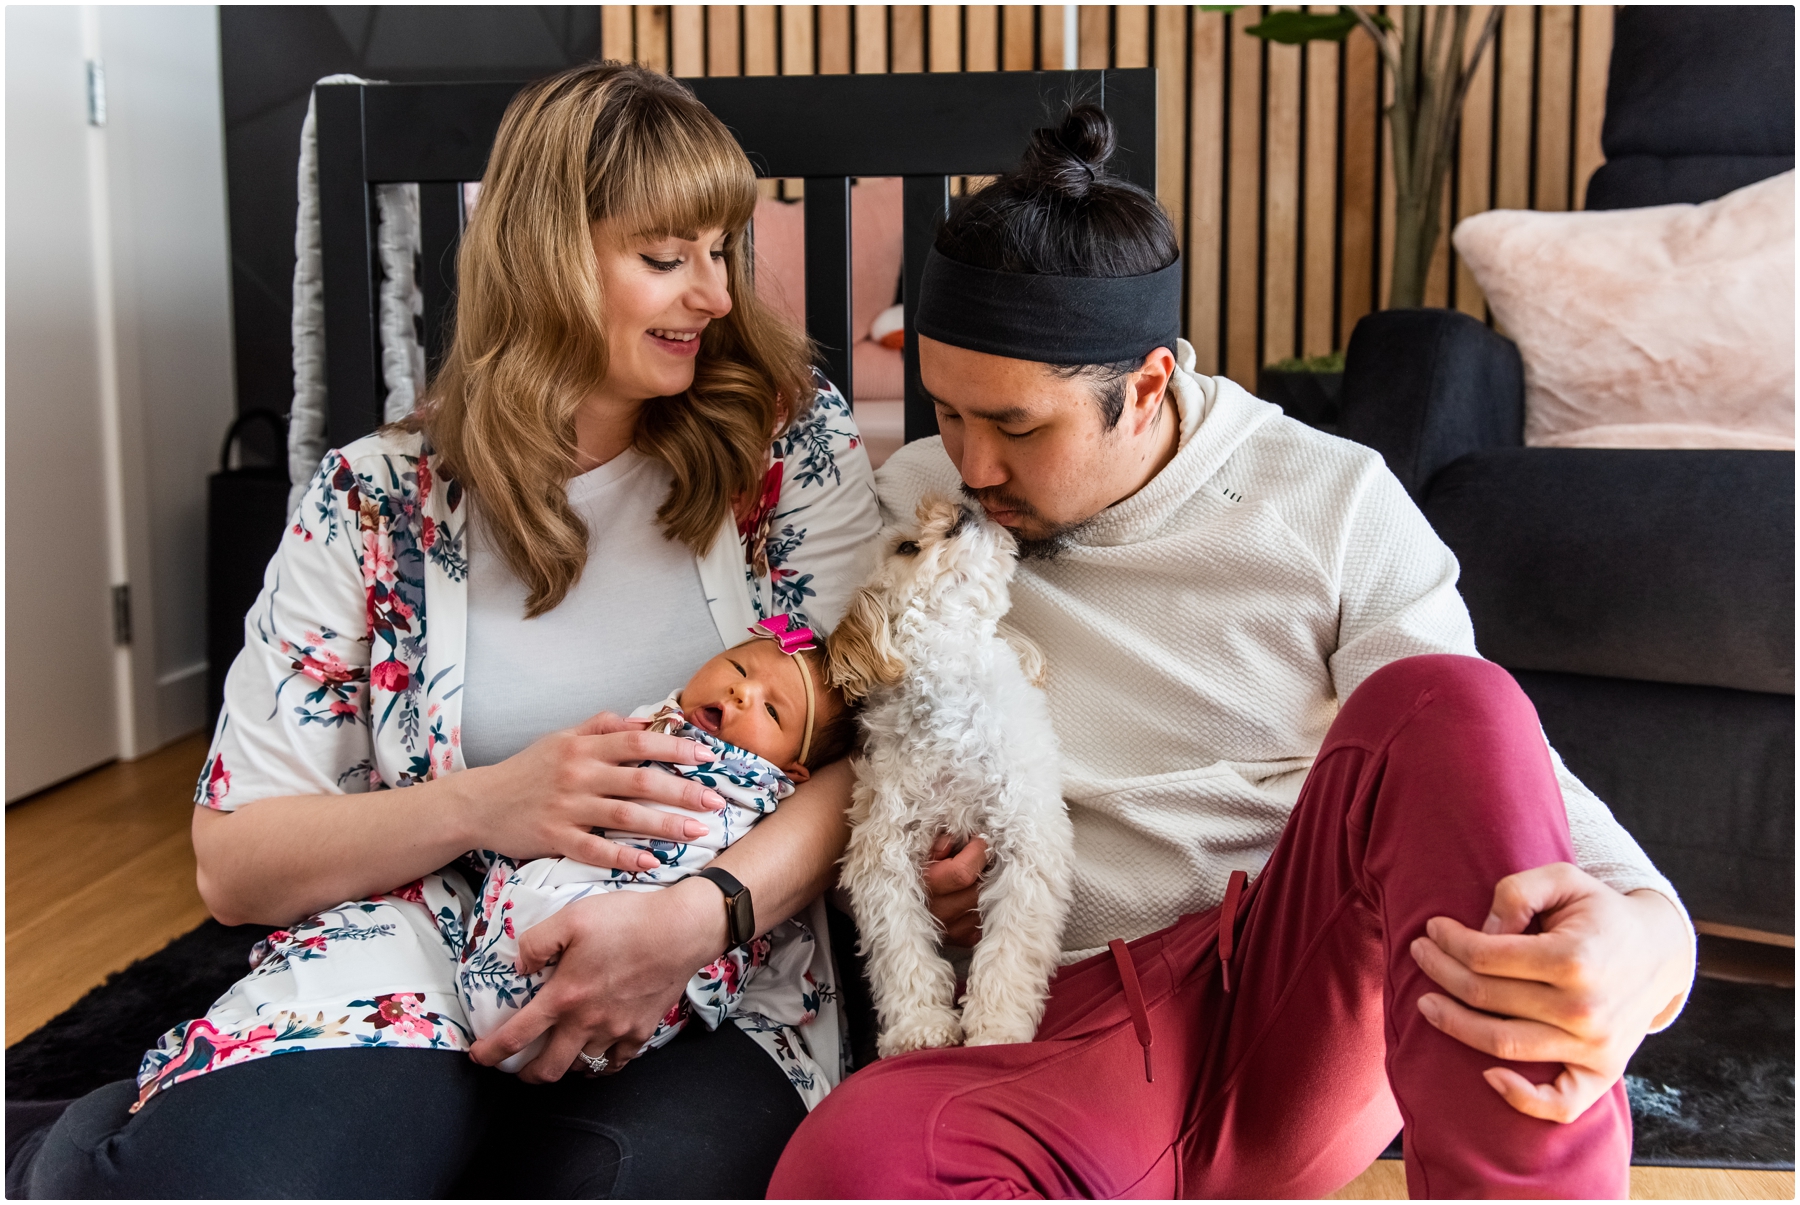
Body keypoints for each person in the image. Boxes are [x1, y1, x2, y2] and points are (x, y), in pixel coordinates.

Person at [768, 105, 1696, 1199]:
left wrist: (1653, 938)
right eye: (945, 412)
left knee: (1449, 697)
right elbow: (816, 743)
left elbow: (1494, 773)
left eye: (1017, 428)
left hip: (1298, 988)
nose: (968, 464)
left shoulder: (1332, 500)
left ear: (1148, 386)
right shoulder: (917, 505)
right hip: (1061, 1033)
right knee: (854, 1159)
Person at [8, 63, 880, 1200]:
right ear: (546, 260)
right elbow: (235, 863)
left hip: (709, 959)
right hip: (416, 941)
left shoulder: (783, 448)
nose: (715, 296)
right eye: (667, 257)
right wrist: (489, 801)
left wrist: (690, 919)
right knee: (225, 1179)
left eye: (721, 249)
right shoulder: (371, 498)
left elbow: (870, 754)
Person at [463, 619, 856, 1076]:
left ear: (794, 770)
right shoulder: (647, 725)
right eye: (736, 668)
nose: (742, 693)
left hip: (657, 940)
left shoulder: (758, 791)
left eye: (772, 712)